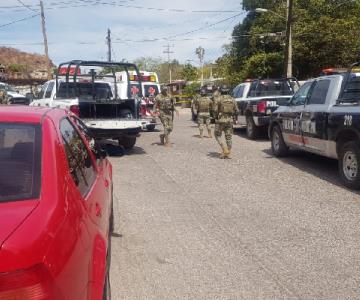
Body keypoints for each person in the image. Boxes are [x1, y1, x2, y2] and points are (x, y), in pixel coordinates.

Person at [212, 85, 239, 158]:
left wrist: (215, 117)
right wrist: (235, 119)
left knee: (217, 135)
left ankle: (224, 149)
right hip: (229, 120)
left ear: (221, 91)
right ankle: (228, 151)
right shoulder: (233, 99)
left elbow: (214, 110)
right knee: (229, 137)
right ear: (227, 90)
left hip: (220, 120)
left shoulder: (218, 99)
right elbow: (237, 111)